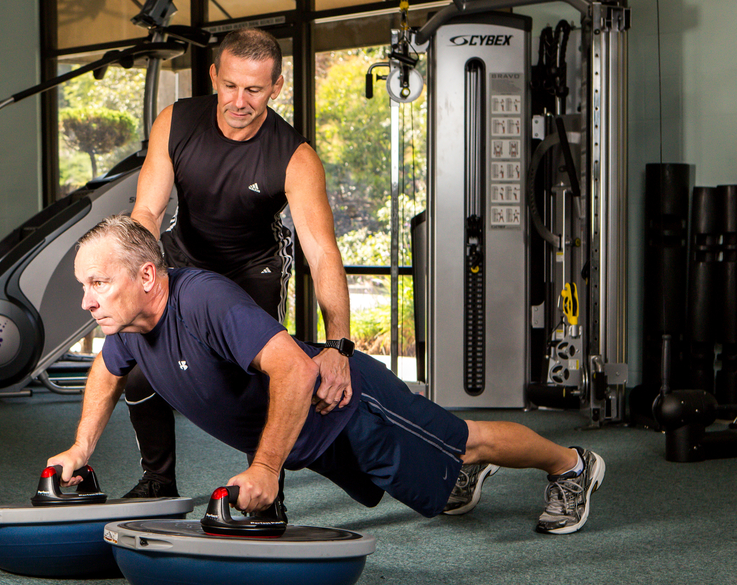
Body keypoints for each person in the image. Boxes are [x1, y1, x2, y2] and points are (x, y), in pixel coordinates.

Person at [48, 216, 607, 535]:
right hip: (310, 435)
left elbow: (291, 367)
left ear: (147, 275)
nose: (86, 299)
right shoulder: (127, 326)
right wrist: (81, 446)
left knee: (464, 443)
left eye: (98, 283)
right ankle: (454, 470)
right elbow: (105, 368)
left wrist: (265, 468)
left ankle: (572, 465)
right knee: (423, 488)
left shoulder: (203, 302)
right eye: (83, 285)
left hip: (350, 407)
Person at [122, 27, 352, 500]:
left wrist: (340, 346)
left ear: (276, 87)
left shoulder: (294, 155)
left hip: (253, 269)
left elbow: (322, 251)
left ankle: (268, 493)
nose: (239, 100)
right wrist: (134, 278)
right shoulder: (177, 121)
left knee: (269, 376)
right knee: (141, 368)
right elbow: (147, 211)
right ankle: (157, 482)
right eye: (230, 85)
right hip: (183, 258)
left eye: (254, 89)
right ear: (213, 75)